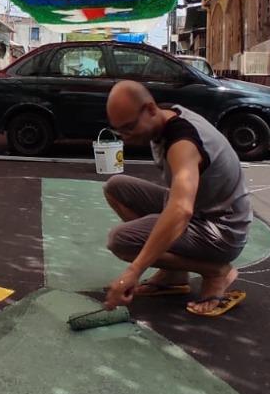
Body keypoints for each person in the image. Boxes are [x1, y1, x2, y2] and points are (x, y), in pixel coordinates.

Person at [101, 80, 251, 317]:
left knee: (121, 240)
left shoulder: (182, 143)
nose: (126, 137)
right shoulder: (167, 117)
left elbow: (181, 210)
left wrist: (134, 270)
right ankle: (174, 274)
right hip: (204, 211)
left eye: (129, 128)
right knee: (116, 187)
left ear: (150, 109)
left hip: (221, 230)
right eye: (119, 130)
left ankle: (215, 271)